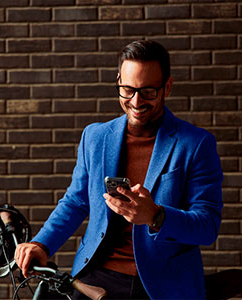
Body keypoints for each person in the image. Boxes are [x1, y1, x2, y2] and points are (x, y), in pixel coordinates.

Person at [14, 40, 223, 299]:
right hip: (96, 276)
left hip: (162, 285)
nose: (136, 101)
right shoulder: (95, 136)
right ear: (118, 82)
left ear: (166, 87)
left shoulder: (196, 144)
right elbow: (76, 201)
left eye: (147, 91)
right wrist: (41, 244)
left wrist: (156, 216)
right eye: (127, 90)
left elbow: (207, 225)